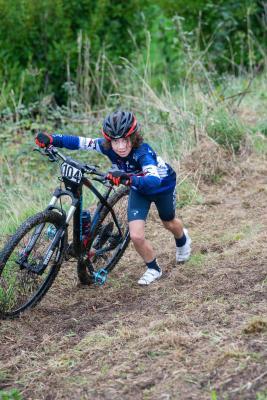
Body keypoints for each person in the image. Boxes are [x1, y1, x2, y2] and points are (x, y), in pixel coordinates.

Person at [35, 110, 191, 285]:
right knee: (136, 236)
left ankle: (183, 239)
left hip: (162, 187)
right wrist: (52, 139)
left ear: (134, 137)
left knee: (168, 222)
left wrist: (127, 178)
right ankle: (154, 268)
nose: (121, 146)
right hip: (138, 190)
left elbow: (153, 181)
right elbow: (80, 142)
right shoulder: (106, 146)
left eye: (125, 140)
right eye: (116, 141)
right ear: (110, 141)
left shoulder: (142, 152)